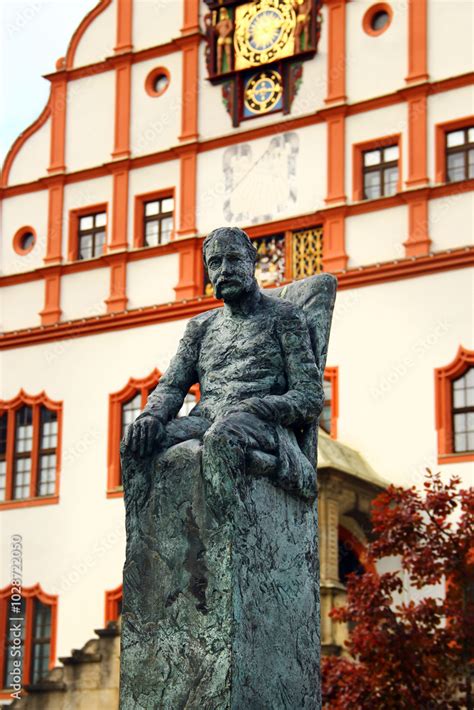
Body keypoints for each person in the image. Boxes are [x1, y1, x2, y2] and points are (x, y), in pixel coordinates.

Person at [124, 226, 324, 500]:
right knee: (136, 444)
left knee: (222, 436)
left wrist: (258, 406)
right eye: (215, 263)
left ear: (251, 261)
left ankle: (225, 543)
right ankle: (144, 543)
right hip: (207, 420)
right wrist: (152, 416)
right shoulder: (200, 327)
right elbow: (172, 385)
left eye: (233, 259)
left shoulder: (284, 317)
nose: (224, 270)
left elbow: (309, 396)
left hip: (261, 425)